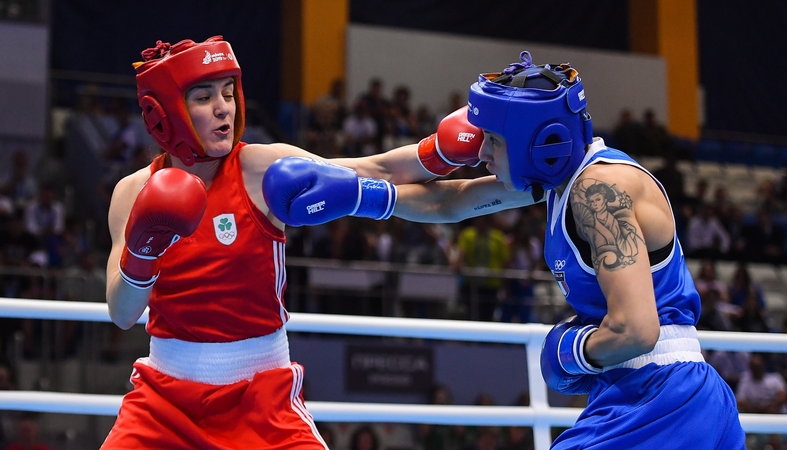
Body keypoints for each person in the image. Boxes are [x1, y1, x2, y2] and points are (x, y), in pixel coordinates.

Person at [263, 51, 745, 448]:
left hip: (664, 397)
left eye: (493, 141)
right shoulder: (564, 180)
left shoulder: (599, 192)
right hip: (658, 396)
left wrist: (570, 351)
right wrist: (357, 194)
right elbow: (451, 200)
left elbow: (636, 330)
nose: (483, 154)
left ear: (541, 144)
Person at [101, 36, 485, 449]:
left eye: (229, 93)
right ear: (164, 113)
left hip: (262, 401)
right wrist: (143, 251)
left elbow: (373, 169)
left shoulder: (259, 167)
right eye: (203, 97)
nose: (222, 108)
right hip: (163, 404)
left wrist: (441, 153)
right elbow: (122, 313)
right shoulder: (133, 192)